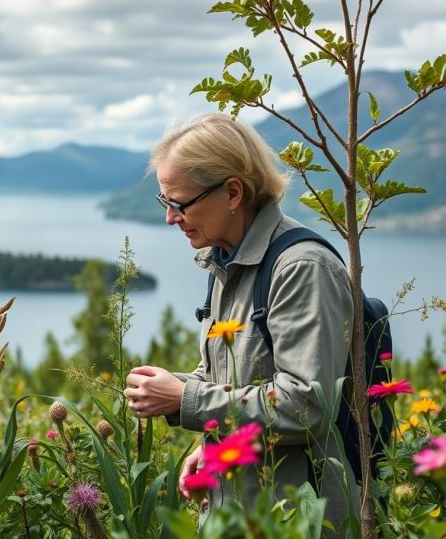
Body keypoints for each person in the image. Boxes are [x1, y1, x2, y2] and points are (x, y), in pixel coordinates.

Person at [122, 113, 357, 533]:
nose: (170, 218)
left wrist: (184, 398)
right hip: (243, 516)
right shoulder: (227, 263)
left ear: (233, 191)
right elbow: (232, 375)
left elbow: (306, 406)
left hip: (295, 521)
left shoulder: (301, 268)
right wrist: (210, 441)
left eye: (178, 203)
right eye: (165, 202)